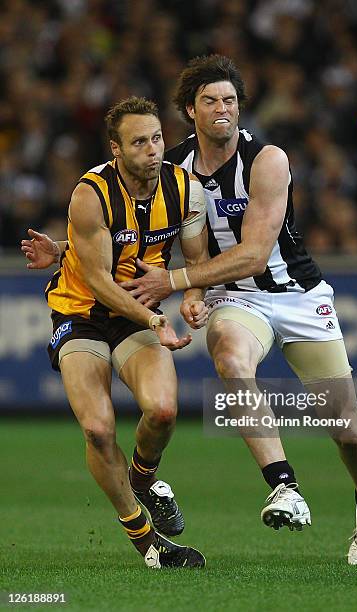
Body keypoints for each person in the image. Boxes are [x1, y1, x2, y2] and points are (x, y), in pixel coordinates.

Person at [119, 55, 357, 565]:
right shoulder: (172, 169)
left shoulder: (268, 159)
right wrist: (195, 293)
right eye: (210, 101)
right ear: (189, 111)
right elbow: (160, 236)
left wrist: (175, 283)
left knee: (347, 429)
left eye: (230, 100)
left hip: (299, 297)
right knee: (230, 357)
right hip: (235, 299)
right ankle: (283, 485)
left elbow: (256, 253)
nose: (223, 109)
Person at [21, 96, 209, 569]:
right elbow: (101, 281)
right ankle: (148, 543)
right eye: (139, 141)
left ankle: (143, 477)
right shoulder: (91, 193)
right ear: (116, 149)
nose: (152, 149)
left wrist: (192, 296)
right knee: (98, 428)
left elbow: (195, 261)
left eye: (157, 138)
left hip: (138, 310)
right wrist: (154, 320)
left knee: (164, 410)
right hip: (82, 310)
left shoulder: (186, 189)